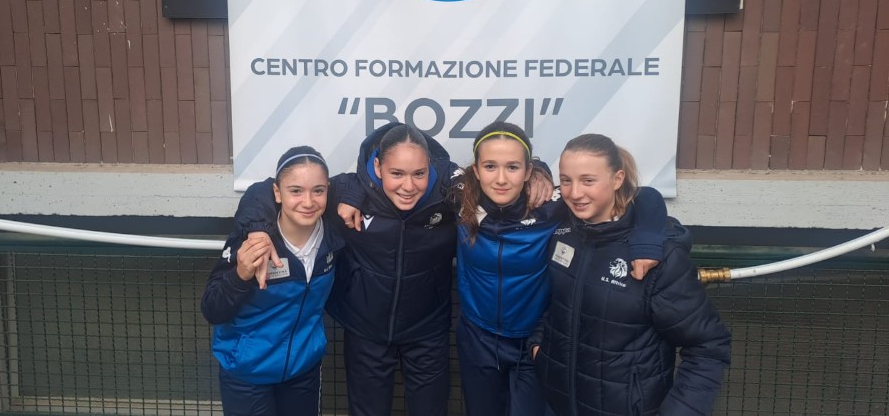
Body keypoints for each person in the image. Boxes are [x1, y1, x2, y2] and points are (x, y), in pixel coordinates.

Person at [238, 122, 553, 416]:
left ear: (430, 168)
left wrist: (539, 172)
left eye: (419, 174)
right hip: (365, 332)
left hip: (428, 332)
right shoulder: (349, 190)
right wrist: (258, 228)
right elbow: (265, 190)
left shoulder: (450, 191)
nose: (408, 186)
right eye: (397, 173)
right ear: (377, 167)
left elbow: (502, 180)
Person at [454, 123, 669, 416]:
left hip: (534, 341)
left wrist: (647, 241)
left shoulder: (550, 204)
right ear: (476, 170)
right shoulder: (459, 199)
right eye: (490, 166)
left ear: (528, 172)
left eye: (513, 167)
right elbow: (412, 152)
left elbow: (645, 196)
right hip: (477, 338)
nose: (501, 179)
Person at [531, 134, 731, 416]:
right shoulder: (561, 231)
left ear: (617, 179)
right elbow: (552, 302)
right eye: (566, 180)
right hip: (558, 404)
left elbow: (708, 346)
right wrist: (539, 347)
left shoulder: (658, 256)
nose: (574, 193)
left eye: (588, 181)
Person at [200, 147, 345, 416]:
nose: (308, 201)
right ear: (277, 193)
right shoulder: (252, 240)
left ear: (328, 190)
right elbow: (212, 308)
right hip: (247, 375)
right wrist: (240, 275)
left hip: (303, 371)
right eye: (296, 191)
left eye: (318, 191)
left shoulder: (334, 235)